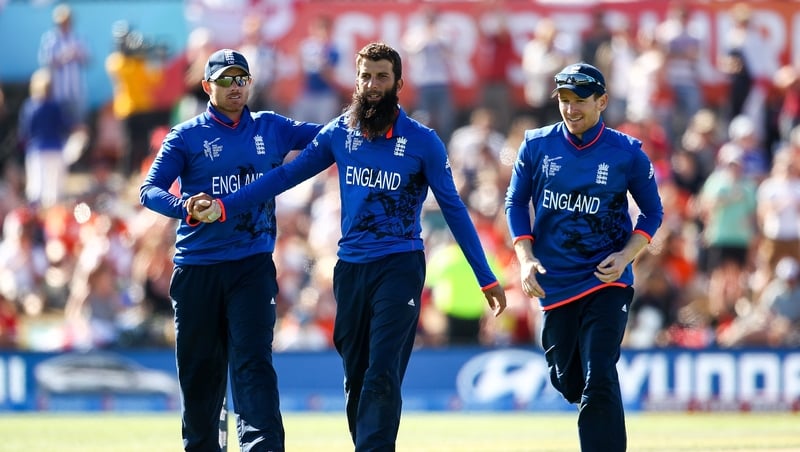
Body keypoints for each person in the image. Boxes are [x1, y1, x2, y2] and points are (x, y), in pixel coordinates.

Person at [187, 42, 507, 451]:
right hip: (350, 269)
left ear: (399, 84)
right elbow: (285, 177)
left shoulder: (424, 142)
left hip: (400, 264)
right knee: (356, 377)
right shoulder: (341, 132)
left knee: (382, 371)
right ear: (356, 80)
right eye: (365, 76)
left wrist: (486, 278)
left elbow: (456, 211)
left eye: (381, 77)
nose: (372, 85)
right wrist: (225, 206)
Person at [139, 48, 322, 452]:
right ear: (207, 86)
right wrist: (183, 207)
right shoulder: (186, 136)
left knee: (254, 363)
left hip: (252, 266)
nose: (235, 86)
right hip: (197, 268)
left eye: (241, 79)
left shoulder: (272, 127)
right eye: (225, 79)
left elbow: (329, 136)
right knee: (200, 373)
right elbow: (148, 190)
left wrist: (372, 116)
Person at [504, 62, 664, 452]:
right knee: (569, 381)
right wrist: (525, 257)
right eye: (564, 100)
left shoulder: (627, 153)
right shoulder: (536, 144)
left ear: (602, 101)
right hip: (555, 283)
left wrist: (627, 255)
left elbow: (652, 212)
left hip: (606, 280)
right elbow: (515, 201)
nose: (570, 109)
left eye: (579, 101)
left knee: (599, 376)